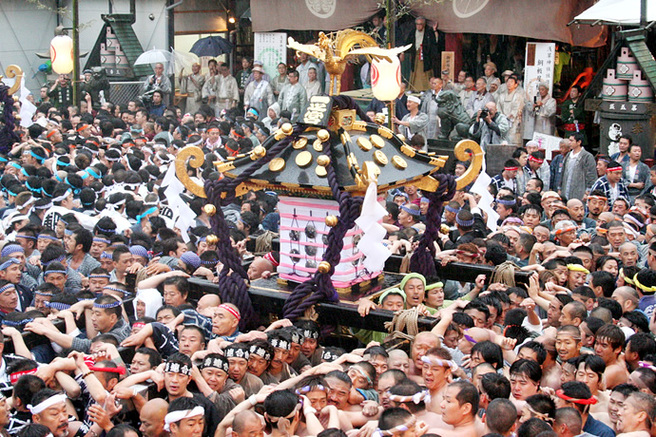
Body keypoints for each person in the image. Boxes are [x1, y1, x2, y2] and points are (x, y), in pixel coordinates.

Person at [405, 17, 440, 91]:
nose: (418, 26)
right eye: (417, 24)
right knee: (415, 72)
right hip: (415, 55)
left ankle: (425, 89)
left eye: (420, 24)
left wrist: (434, 31)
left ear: (424, 25)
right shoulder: (413, 32)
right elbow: (408, 43)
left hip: (425, 56)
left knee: (424, 73)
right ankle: (413, 88)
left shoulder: (428, 33)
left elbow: (433, 43)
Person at [560, 132, 597, 201]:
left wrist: (588, 191)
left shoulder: (587, 156)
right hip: (566, 189)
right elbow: (563, 172)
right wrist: (560, 187)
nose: (569, 143)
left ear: (579, 142)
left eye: (571, 141)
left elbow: (591, 175)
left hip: (580, 191)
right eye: (569, 141)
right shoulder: (568, 155)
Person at [497, 75, 524, 145]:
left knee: (513, 140)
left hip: (514, 121)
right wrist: (502, 116)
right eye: (508, 82)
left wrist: (510, 116)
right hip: (502, 120)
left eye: (511, 82)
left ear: (516, 85)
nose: (509, 84)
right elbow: (498, 107)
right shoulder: (501, 95)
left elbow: (517, 108)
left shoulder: (518, 96)